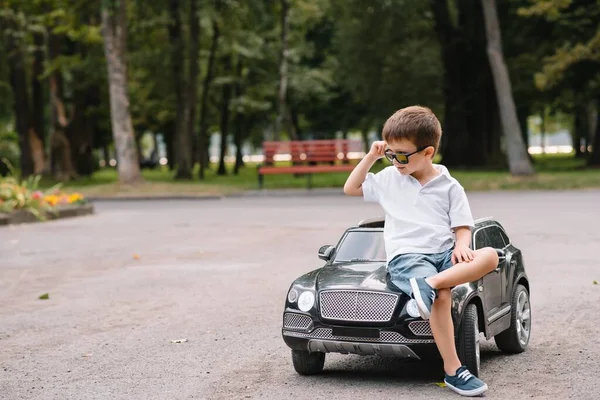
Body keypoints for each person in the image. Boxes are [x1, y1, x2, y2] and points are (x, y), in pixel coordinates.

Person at [343, 105, 498, 397]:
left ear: (428, 152)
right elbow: (351, 188)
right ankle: (454, 370)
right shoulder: (389, 178)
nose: (395, 160)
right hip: (409, 256)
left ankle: (429, 284)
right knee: (443, 297)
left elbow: (462, 226)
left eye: (402, 155)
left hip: (443, 254)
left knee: (490, 256)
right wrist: (372, 157)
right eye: (390, 153)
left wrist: (462, 246)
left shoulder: (450, 186)